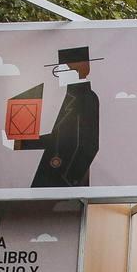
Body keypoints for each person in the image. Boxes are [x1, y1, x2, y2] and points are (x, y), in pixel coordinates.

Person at [11, 46, 101, 188]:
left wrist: (70, 180)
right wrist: (21, 143)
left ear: (78, 70)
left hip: (62, 177)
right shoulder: (70, 96)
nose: (58, 75)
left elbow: (89, 144)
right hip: (53, 175)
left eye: (61, 70)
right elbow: (58, 138)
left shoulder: (87, 97)